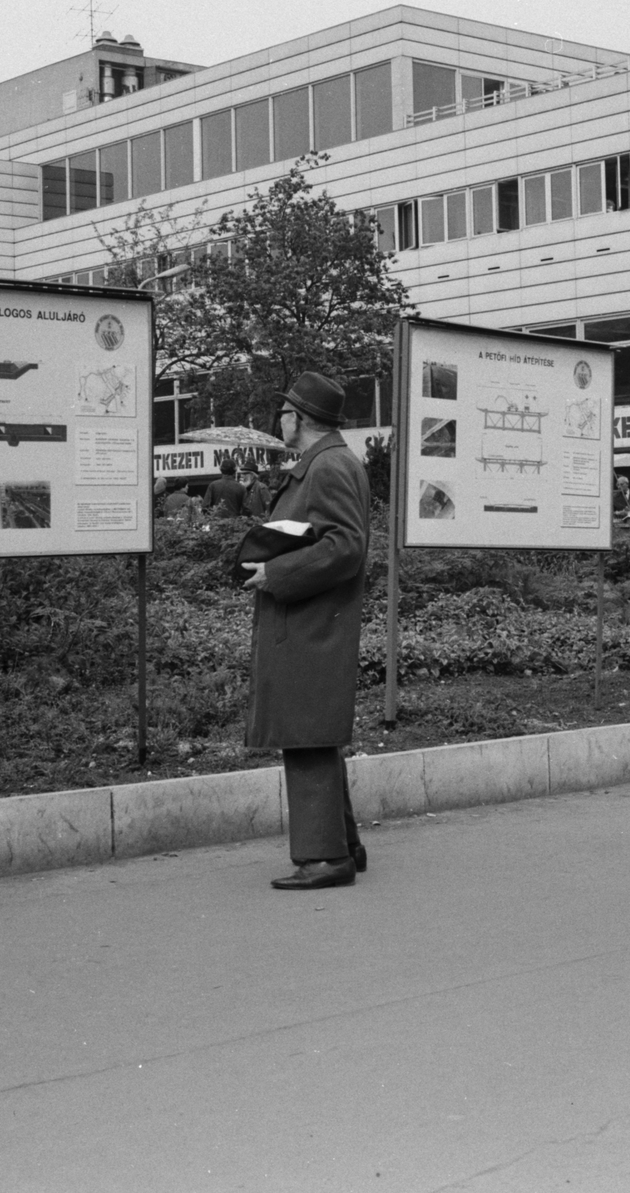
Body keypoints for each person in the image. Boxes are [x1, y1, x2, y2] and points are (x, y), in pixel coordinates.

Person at [241, 372, 371, 890]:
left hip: (312, 623)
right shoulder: (330, 462)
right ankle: (346, 846)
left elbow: (345, 547)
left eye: (284, 413)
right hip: (316, 620)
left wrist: (277, 573)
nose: (280, 421)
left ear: (299, 418)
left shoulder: (328, 466)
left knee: (306, 736)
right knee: (313, 733)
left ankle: (324, 859)